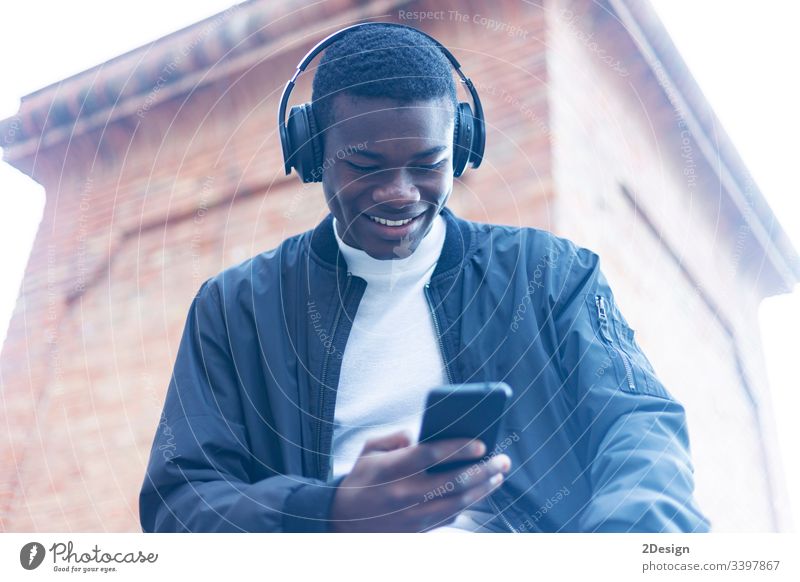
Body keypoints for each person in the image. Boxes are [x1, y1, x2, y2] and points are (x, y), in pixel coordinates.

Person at [139, 23, 710, 533]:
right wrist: (332, 512)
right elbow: (180, 501)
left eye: (429, 164)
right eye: (365, 166)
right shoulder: (234, 308)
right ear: (312, 153)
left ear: (461, 148)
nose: (401, 192)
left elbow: (637, 425)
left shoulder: (552, 274)